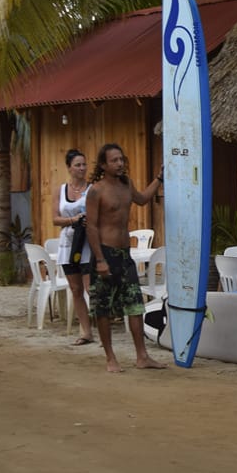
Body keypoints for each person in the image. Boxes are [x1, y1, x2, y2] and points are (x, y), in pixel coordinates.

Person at [84, 143, 166, 373]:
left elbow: (142, 199)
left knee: (135, 305)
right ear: (103, 165)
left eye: (121, 159)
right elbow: (91, 226)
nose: (119, 163)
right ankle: (110, 357)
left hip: (124, 254)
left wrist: (159, 178)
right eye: (114, 160)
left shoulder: (126, 184)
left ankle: (142, 356)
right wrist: (99, 259)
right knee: (103, 308)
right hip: (105, 253)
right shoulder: (96, 190)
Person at [54, 149, 93, 346]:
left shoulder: (92, 189)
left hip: (87, 244)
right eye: (78, 165)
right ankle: (86, 331)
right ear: (69, 168)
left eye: (84, 164)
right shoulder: (61, 190)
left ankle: (102, 329)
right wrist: (73, 219)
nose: (82, 168)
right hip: (68, 244)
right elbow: (55, 218)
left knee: (90, 288)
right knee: (76, 289)